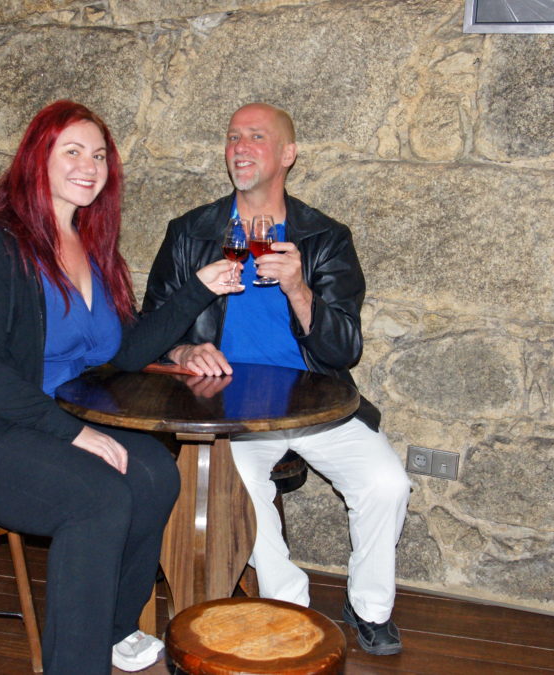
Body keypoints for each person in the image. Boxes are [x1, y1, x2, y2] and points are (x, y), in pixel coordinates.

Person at [0, 100, 242, 674]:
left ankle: (112, 630)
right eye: (72, 151)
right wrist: (73, 433)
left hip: (31, 419)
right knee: (98, 500)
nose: (90, 166)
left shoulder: (90, 245)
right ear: (38, 159)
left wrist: (198, 290)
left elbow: (123, 350)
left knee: (155, 473)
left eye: (100, 155)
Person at [142, 102, 411, 656]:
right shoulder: (191, 232)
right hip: (230, 408)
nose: (240, 146)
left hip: (314, 400)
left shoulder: (325, 238)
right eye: (233, 136)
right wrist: (187, 347)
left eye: (256, 137)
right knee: (238, 485)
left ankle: (369, 610)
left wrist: (297, 289)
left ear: (287, 154)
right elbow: (152, 326)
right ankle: (289, 602)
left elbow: (344, 348)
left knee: (387, 482)